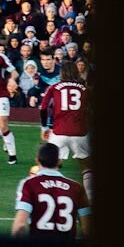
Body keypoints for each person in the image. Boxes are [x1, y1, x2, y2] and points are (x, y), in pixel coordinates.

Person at [12, 142, 89, 237]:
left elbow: (20, 225)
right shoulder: (77, 187)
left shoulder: (29, 184)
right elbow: (87, 228)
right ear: (59, 161)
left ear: (37, 160)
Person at [40, 62, 91, 198]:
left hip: (59, 132)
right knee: (86, 166)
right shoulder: (85, 89)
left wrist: (45, 127)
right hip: (80, 132)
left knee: (48, 163)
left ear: (62, 73)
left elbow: (44, 108)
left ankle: (47, 195)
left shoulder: (54, 87)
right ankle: (90, 198)